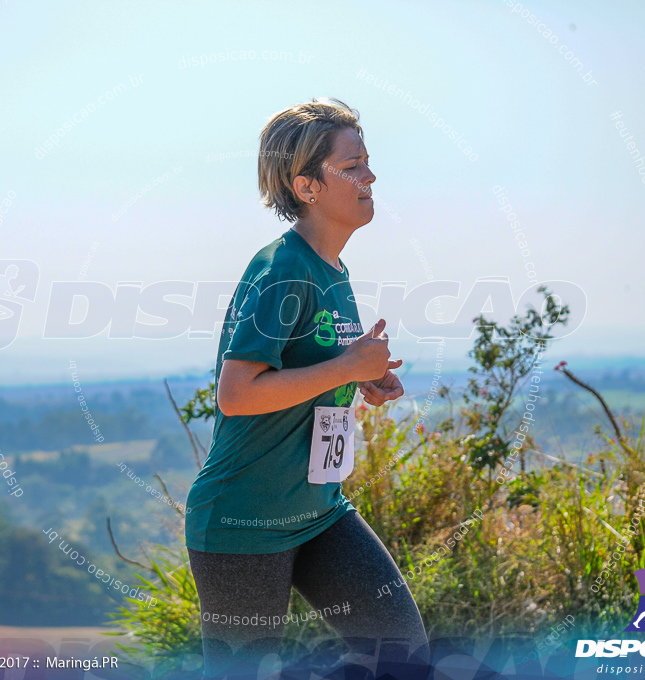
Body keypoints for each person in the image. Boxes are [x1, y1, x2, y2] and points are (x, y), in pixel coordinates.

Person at [184, 98, 429, 679]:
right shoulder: (283, 269)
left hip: (319, 513)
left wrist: (360, 376)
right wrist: (344, 368)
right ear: (307, 185)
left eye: (367, 163)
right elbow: (238, 393)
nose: (370, 177)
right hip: (244, 522)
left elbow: (309, 370)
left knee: (401, 655)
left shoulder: (332, 270)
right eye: (352, 167)